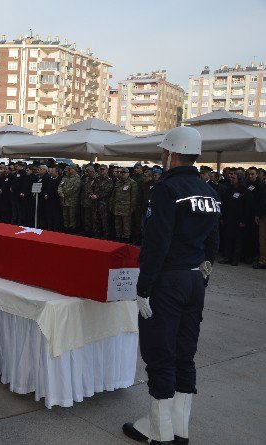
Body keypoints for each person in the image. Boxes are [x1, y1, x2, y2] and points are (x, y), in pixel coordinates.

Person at [123, 126, 220, 445]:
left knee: (160, 353)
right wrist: (203, 272)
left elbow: (157, 242)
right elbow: (213, 242)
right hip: (195, 279)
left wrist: (144, 287)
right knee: (184, 353)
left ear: (173, 154)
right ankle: (180, 429)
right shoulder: (210, 192)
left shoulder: (167, 189)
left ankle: (160, 432)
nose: (163, 158)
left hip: (168, 280)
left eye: (164, 153)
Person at [111, 167, 138, 243]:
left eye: (124, 173)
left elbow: (134, 197)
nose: (122, 174)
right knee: (117, 225)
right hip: (117, 208)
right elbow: (114, 195)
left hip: (126, 209)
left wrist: (132, 209)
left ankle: (126, 240)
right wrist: (111, 205)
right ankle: (118, 238)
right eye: (121, 173)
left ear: (128, 174)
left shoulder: (132, 183)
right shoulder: (118, 182)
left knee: (126, 226)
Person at [91, 165, 114, 239]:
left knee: (105, 222)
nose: (101, 171)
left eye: (103, 169)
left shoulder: (109, 180)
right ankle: (96, 236)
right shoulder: (96, 179)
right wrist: (91, 195)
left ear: (107, 170)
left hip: (104, 204)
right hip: (95, 204)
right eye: (100, 169)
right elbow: (91, 188)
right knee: (95, 221)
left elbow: (108, 192)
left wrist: (97, 196)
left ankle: (105, 237)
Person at [58, 164, 81, 233]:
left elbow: (74, 189)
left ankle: (72, 231)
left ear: (74, 169)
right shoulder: (65, 177)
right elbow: (60, 186)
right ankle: (66, 229)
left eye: (70, 169)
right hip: (64, 201)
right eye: (69, 169)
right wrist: (60, 193)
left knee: (72, 217)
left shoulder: (77, 178)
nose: (69, 170)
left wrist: (64, 193)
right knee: (65, 216)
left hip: (72, 201)